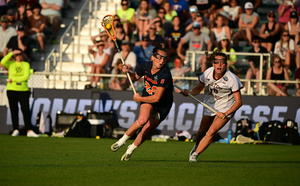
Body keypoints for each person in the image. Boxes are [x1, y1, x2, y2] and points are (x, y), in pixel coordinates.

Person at [110, 42, 173, 161]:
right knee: (142, 120)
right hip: (148, 97)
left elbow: (157, 98)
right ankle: (122, 141)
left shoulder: (165, 74)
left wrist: (139, 99)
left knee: (146, 130)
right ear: (153, 57)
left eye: (165, 59)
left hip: (163, 104)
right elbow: (134, 77)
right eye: (159, 57)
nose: (162, 61)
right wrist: (127, 72)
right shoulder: (146, 66)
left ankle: (131, 149)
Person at [179, 52, 243, 162]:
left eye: (222, 63)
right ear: (213, 64)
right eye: (217, 62)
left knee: (212, 131)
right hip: (210, 105)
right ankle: (196, 146)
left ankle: (195, 155)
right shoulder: (207, 73)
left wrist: (225, 113)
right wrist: (189, 92)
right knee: (201, 131)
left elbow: (238, 102)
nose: (219, 65)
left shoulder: (232, 79)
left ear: (226, 64)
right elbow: (198, 88)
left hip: (226, 108)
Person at [1, 49, 39, 137]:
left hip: (23, 90)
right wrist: (11, 53)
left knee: (25, 110)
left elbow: (26, 76)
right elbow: (3, 61)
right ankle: (15, 129)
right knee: (14, 110)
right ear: (14, 56)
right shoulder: (11, 64)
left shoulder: (26, 64)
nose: (19, 56)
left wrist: (13, 79)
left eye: (20, 54)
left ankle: (29, 130)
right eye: (17, 54)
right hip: (12, 89)